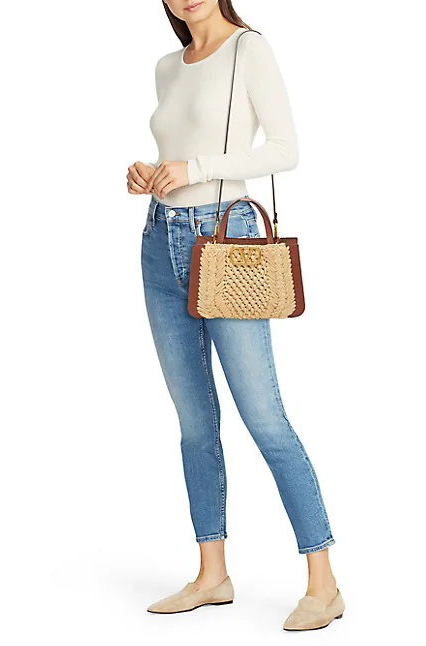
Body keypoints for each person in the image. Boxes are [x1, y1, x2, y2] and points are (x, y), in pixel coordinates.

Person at [126, 0, 344, 631]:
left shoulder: (250, 49)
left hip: (226, 240)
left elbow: (284, 150)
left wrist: (194, 170)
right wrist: (151, 174)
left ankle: (324, 583)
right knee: (194, 423)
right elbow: (181, 149)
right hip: (160, 240)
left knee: (265, 417)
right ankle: (212, 575)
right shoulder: (168, 66)